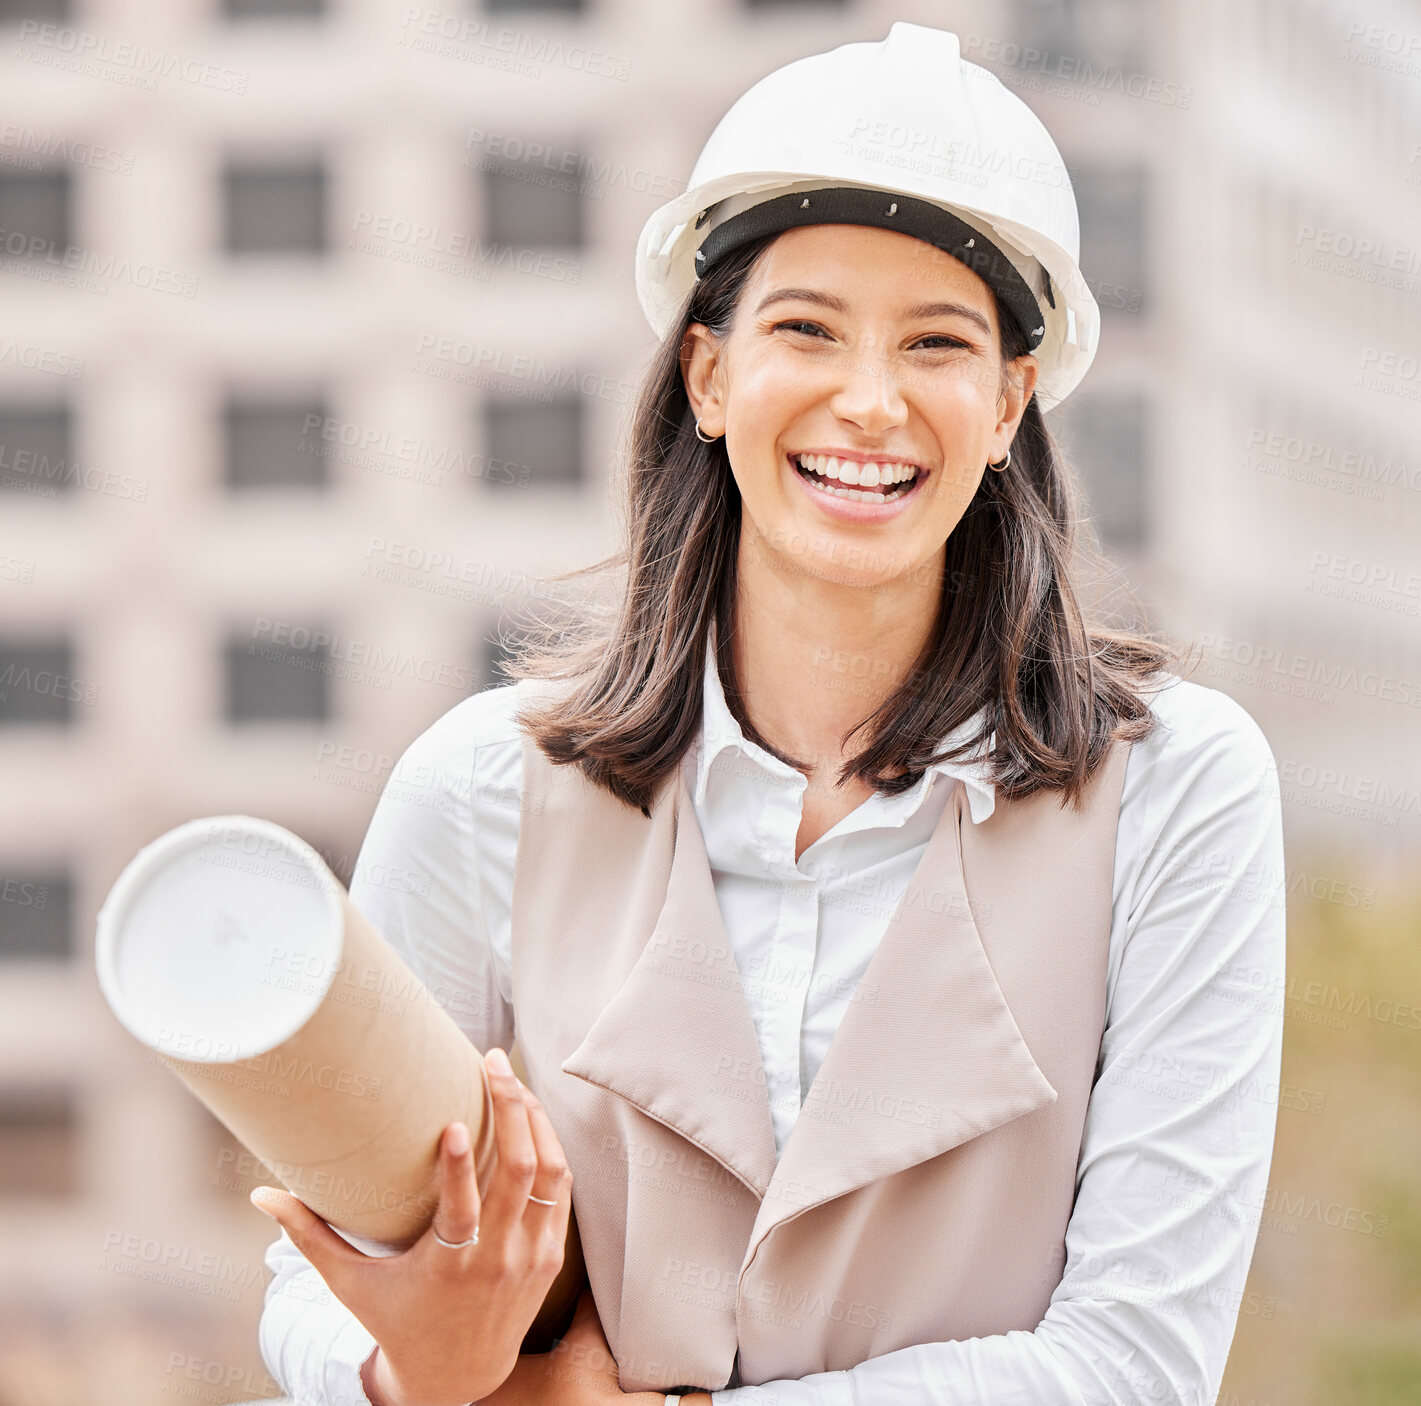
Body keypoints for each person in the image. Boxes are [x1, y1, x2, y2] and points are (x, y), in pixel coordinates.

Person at [252, 22, 1285, 1406]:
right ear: (707, 374)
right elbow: (319, 1287)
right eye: (804, 328)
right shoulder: (480, 786)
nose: (868, 401)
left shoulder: (1175, 791)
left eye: (938, 343)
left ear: (1005, 405)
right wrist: (407, 1370)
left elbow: (1134, 1362)